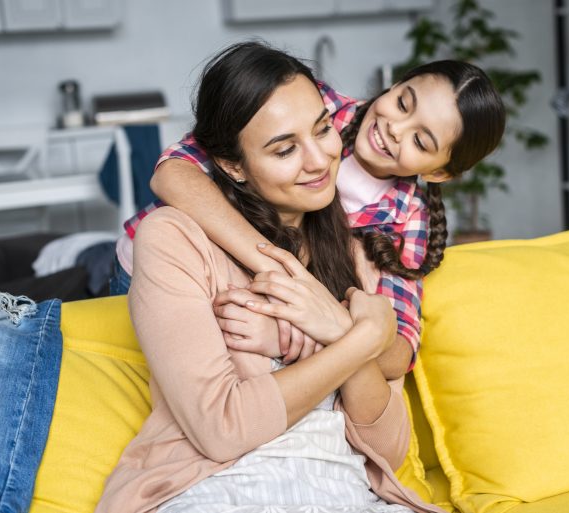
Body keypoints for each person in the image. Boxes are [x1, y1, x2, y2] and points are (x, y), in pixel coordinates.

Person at [95, 42, 442, 513]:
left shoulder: (360, 254)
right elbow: (224, 428)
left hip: (346, 496)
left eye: (323, 130)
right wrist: (360, 339)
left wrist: (333, 330)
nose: (319, 161)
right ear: (232, 165)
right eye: (285, 149)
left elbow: (389, 446)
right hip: (215, 490)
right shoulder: (175, 241)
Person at [111, 45, 506, 377]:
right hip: (158, 265)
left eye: (420, 140)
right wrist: (281, 270)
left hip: (245, 302)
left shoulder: (407, 218)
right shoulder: (317, 105)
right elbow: (172, 174)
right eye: (403, 102)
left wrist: (322, 325)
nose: (394, 129)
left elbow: (399, 350)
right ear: (396, 84)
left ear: (439, 171)